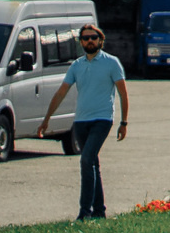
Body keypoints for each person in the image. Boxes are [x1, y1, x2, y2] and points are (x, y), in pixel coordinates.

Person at [38, 23, 130, 221]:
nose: (90, 41)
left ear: (100, 40)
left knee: (86, 160)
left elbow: (123, 93)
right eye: (86, 38)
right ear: (81, 42)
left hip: (102, 119)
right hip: (81, 121)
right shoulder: (77, 65)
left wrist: (124, 122)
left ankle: (84, 212)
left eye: (93, 38)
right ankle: (99, 211)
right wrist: (46, 119)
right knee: (92, 163)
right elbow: (61, 92)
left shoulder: (112, 63)